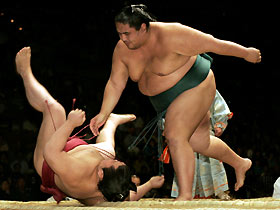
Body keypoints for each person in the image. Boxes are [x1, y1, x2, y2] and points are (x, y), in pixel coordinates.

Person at [90, 4, 261, 201]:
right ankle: (240, 163)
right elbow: (115, 83)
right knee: (199, 141)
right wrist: (103, 113)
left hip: (195, 85)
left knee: (175, 135)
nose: (122, 39)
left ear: (143, 27)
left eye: (127, 33)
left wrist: (245, 53)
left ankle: (185, 196)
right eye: (119, 33)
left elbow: (213, 44)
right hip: (165, 101)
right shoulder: (122, 50)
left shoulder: (172, 34)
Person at [15, 47, 164, 205]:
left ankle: (25, 73)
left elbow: (50, 151)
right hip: (79, 153)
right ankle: (111, 122)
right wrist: (150, 184)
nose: (116, 161)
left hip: (50, 163)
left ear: (100, 174)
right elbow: (127, 197)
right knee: (108, 150)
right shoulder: (110, 189)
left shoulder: (75, 175)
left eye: (114, 164)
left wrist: (69, 124)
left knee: (55, 109)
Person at [171, 90, 232, 200]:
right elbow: (169, 110)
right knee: (185, 163)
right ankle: (185, 192)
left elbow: (219, 106)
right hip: (184, 133)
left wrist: (219, 124)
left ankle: (219, 191)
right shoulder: (178, 88)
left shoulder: (207, 85)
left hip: (205, 131)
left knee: (213, 162)